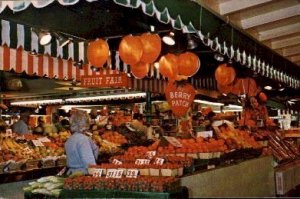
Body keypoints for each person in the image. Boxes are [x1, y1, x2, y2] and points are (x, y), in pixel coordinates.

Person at [64, 110, 99, 175]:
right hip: (82, 174)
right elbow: (89, 163)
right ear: (85, 123)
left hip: (71, 173)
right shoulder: (83, 140)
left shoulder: (70, 139)